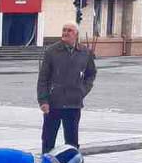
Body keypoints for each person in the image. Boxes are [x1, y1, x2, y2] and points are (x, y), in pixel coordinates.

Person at [37, 23, 97, 155]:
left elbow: (91, 73)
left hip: (73, 104)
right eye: (64, 30)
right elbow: (43, 78)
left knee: (72, 143)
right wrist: (43, 101)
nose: (65, 33)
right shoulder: (51, 51)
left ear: (76, 34)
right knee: (48, 140)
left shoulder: (84, 52)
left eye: (69, 31)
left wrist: (83, 90)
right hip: (54, 103)